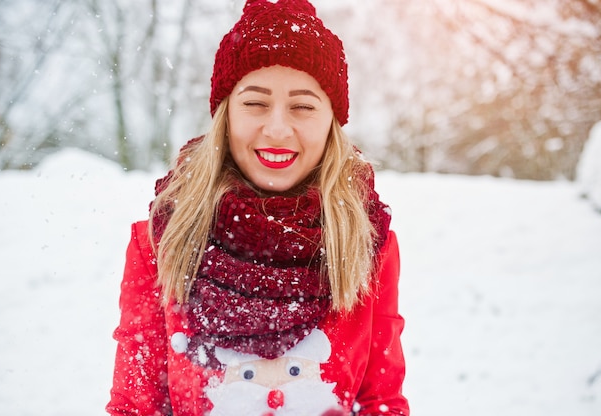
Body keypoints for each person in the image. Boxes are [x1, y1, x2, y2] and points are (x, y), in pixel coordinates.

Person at [106, 0, 410, 415]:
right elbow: (135, 406)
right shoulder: (160, 243)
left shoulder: (367, 244)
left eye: (303, 106)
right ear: (225, 115)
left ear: (331, 121)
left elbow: (381, 402)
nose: (278, 128)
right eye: (255, 103)